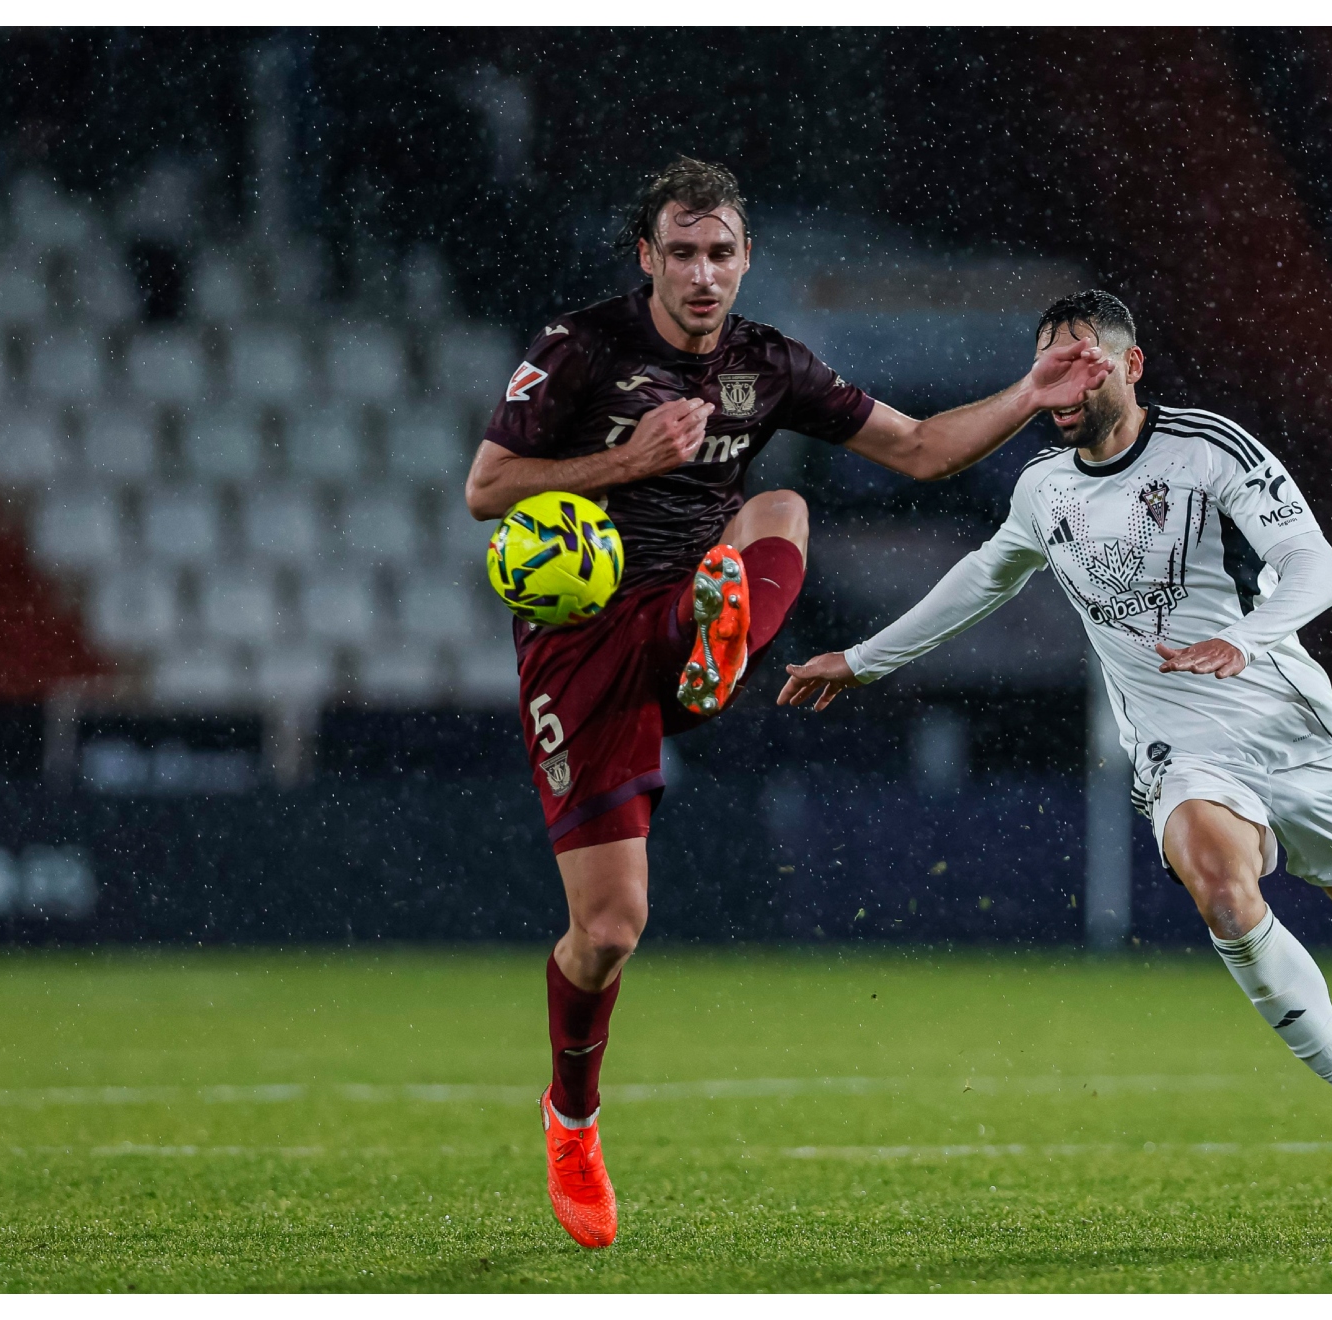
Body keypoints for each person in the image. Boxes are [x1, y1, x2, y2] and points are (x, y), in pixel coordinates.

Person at [462, 159, 1112, 1249]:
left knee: (779, 500)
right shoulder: (581, 348)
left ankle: (722, 640)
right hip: (580, 648)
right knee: (611, 929)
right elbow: (487, 488)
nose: (703, 274)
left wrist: (1026, 396)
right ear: (647, 257)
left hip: (676, 610)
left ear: (747, 258)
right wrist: (622, 460)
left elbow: (913, 449)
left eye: (721, 253)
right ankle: (572, 1114)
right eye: (682, 253)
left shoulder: (770, 367)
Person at [779, 290, 1332, 1202]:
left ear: (1131, 365)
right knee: (1221, 889)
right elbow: (983, 577)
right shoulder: (1044, 488)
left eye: (1082, 362)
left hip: (1291, 731)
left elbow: (1320, 568)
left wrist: (1249, 637)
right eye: (1046, 366)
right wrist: (866, 660)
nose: (1061, 383)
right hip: (1184, 751)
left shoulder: (1209, 450)